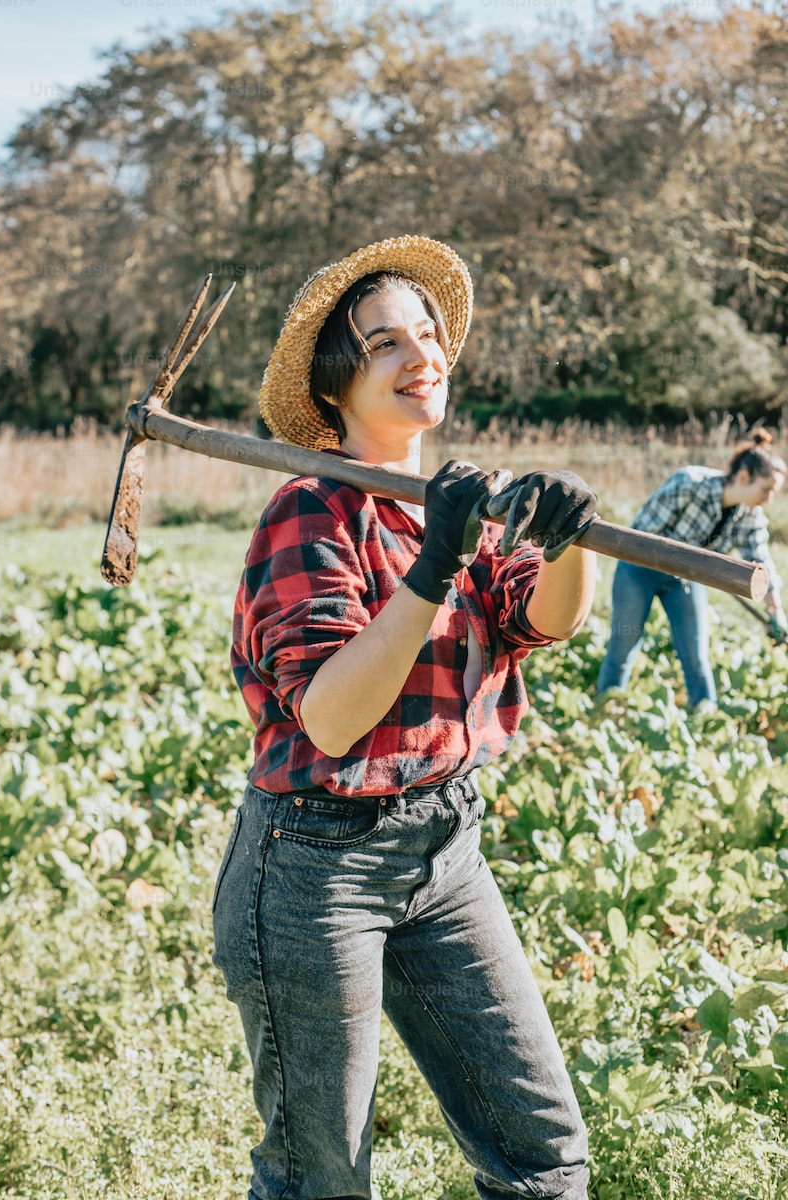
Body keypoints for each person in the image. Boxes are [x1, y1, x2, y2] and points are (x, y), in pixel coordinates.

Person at [212, 234, 598, 1199]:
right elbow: (334, 717)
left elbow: (542, 618)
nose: (422, 353)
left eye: (428, 334)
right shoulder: (309, 513)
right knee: (322, 1178)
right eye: (387, 343)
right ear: (339, 383)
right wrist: (433, 568)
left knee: (543, 1158)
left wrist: (570, 539)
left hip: (445, 850)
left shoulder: (465, 504)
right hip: (315, 871)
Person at [596, 429, 787, 708]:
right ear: (745, 477)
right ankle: (606, 707)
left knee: (696, 653)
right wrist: (686, 553)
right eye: (767, 489)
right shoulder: (689, 483)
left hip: (683, 580)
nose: (770, 498)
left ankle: (706, 719)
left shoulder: (750, 515)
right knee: (624, 643)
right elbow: (640, 534)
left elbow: (761, 562)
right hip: (638, 572)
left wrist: (776, 612)